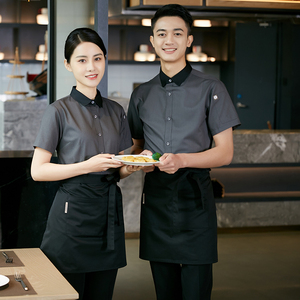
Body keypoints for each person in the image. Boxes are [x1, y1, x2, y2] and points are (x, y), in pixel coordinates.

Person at [127, 4, 241, 300]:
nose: (169, 40)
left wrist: (182, 160)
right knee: (165, 293)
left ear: (189, 39)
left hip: (195, 203)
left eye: (177, 33)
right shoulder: (141, 94)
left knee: (196, 293)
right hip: (156, 203)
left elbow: (225, 152)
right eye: (161, 34)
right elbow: (138, 148)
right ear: (152, 40)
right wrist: (130, 162)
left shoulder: (211, 88)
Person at [31, 27, 141, 300]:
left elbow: (116, 168)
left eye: (97, 58)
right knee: (68, 294)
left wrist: (131, 167)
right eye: (81, 60)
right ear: (68, 64)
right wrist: (86, 166)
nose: (91, 67)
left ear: (105, 59)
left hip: (108, 216)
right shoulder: (58, 110)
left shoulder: (116, 110)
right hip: (72, 218)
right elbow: (38, 171)